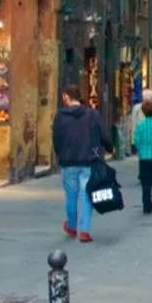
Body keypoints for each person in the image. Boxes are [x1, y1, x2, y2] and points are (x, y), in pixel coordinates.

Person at [53, 85, 114, 243]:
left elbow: (56, 139)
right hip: (88, 161)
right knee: (86, 194)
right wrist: (110, 147)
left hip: (68, 162)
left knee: (71, 196)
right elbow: (103, 134)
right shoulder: (91, 114)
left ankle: (72, 227)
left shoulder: (60, 116)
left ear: (66, 97)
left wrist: (60, 153)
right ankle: (84, 231)